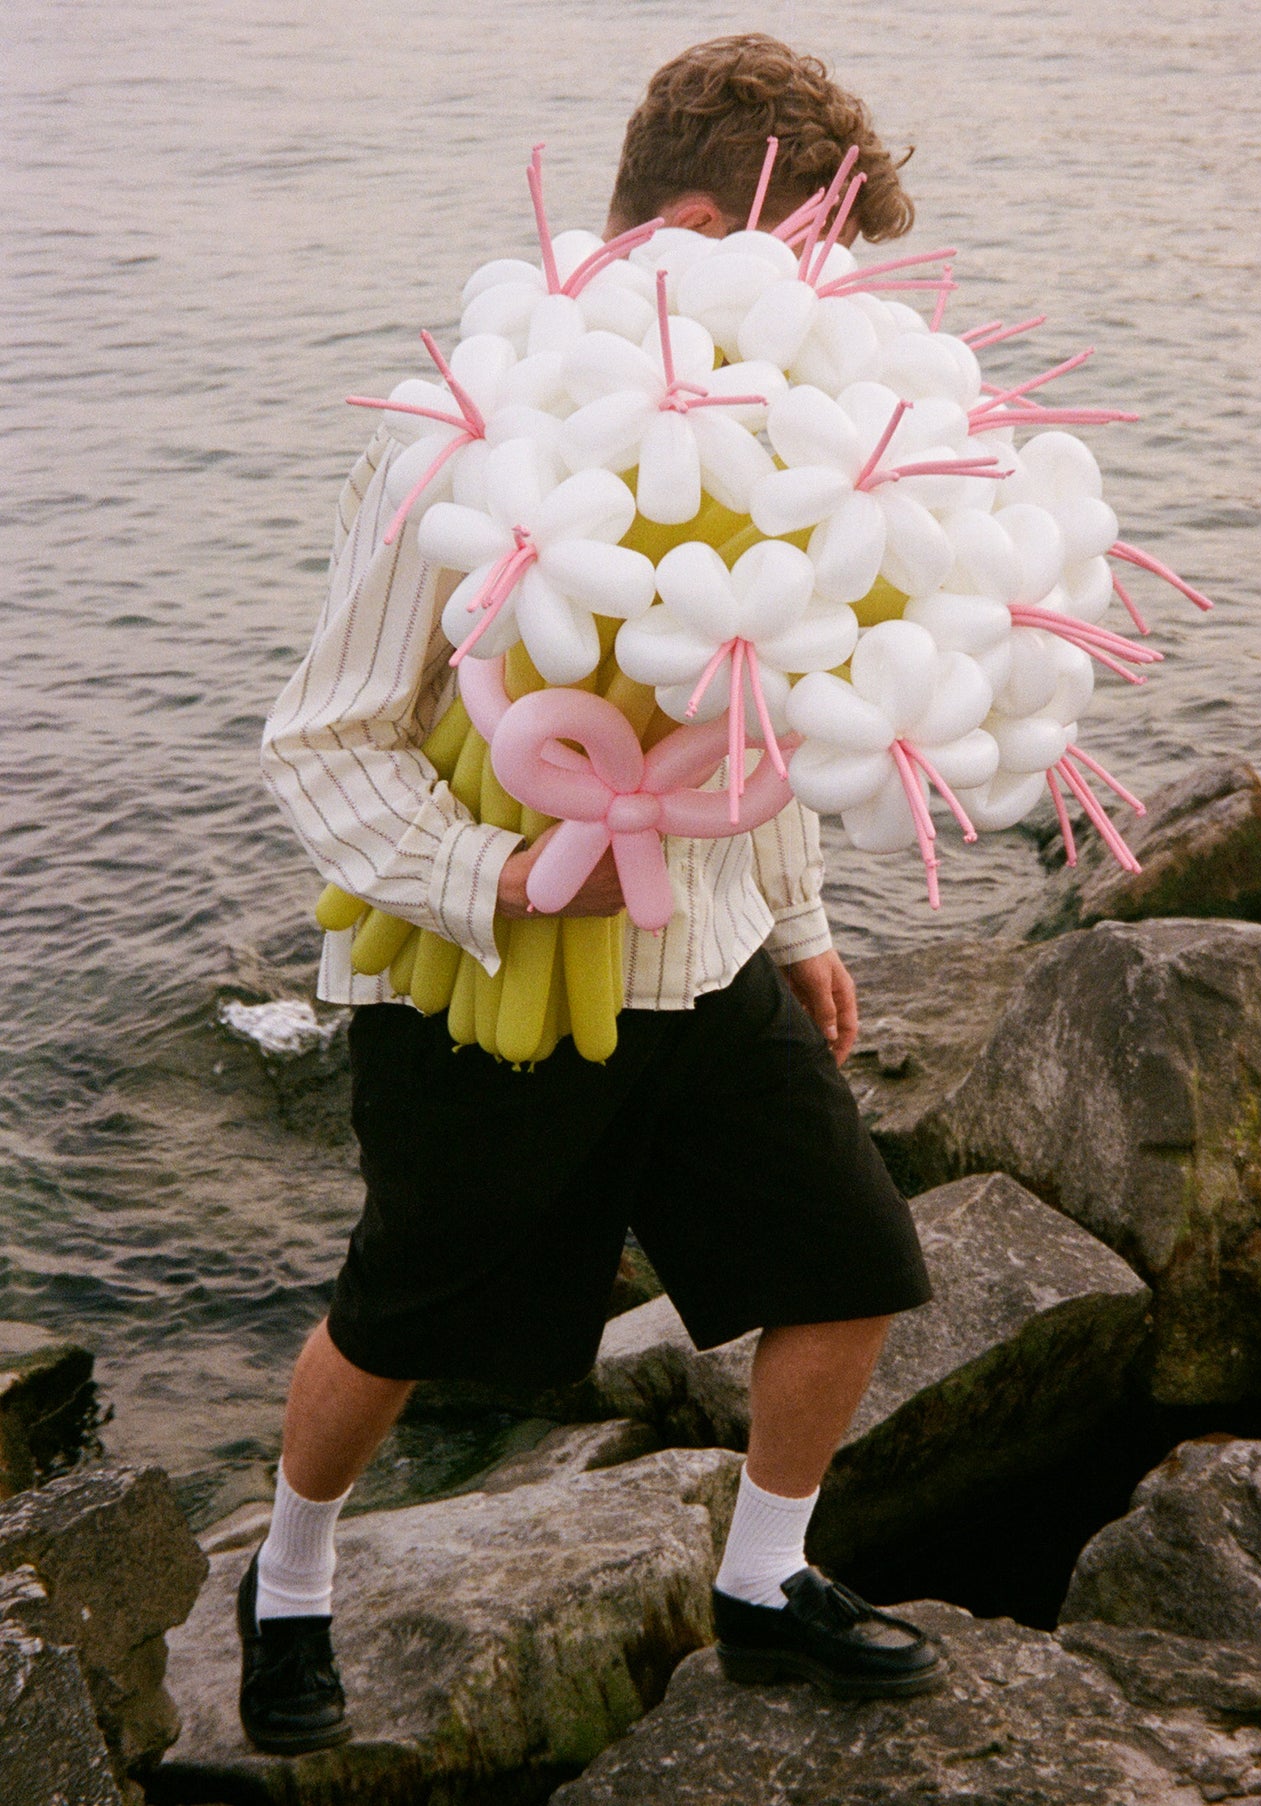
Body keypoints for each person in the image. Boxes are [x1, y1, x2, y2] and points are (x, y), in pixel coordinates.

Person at [244, 32, 942, 1757]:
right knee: (403, 1314)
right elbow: (320, 742)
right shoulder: (460, 443)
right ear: (692, 228)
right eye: (801, 270)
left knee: (849, 1259)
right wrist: (507, 874)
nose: (818, 319)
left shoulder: (752, 430)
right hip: (474, 974)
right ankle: (287, 1577)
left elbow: (746, 709)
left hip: (702, 960)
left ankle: (764, 1579)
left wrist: (799, 921)